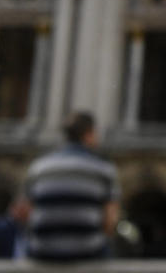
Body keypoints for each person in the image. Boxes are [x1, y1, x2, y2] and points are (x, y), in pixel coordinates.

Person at [23, 111, 120, 261]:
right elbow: (110, 221)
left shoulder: (38, 167)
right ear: (88, 135)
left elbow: (26, 213)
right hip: (87, 253)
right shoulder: (103, 169)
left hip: (42, 252)